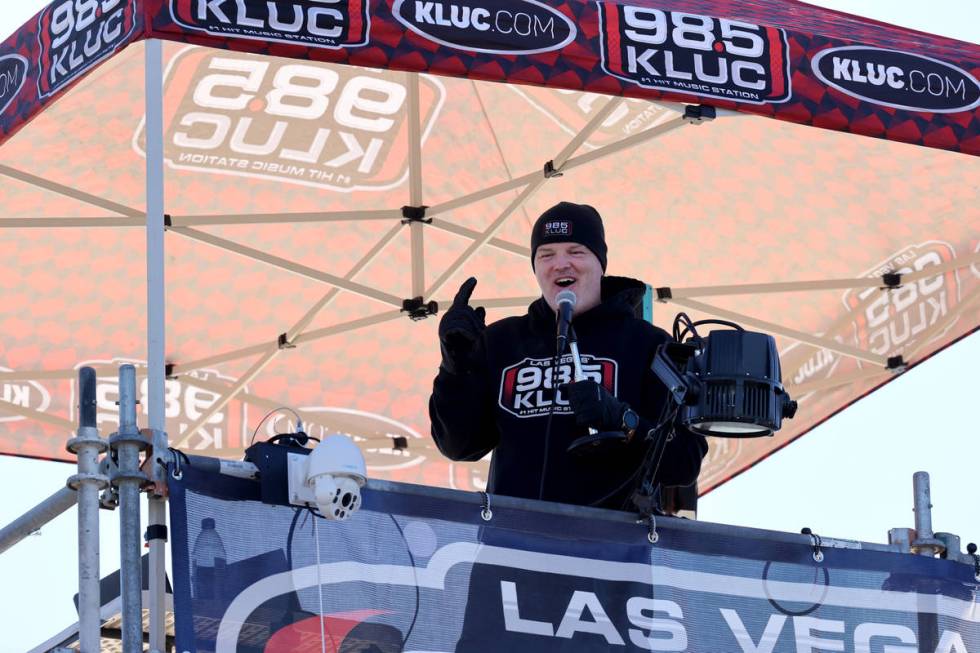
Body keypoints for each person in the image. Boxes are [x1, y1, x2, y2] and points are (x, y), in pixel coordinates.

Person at [429, 201, 707, 511]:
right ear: (535, 268)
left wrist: (624, 420)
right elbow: (458, 445)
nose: (561, 264)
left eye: (576, 252)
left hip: (614, 549)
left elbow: (684, 462)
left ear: (601, 264)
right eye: (546, 255)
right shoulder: (501, 342)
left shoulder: (648, 344)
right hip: (510, 544)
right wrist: (456, 369)